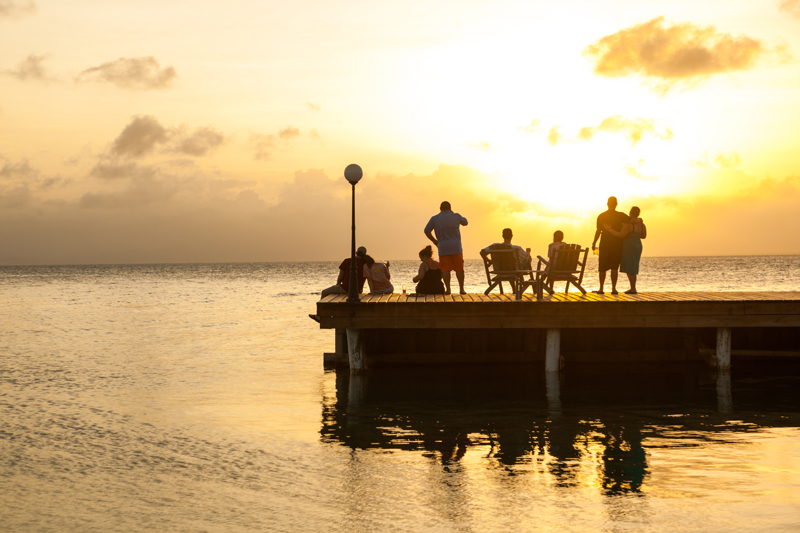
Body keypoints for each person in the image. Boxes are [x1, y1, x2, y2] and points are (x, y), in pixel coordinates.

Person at [424, 201, 469, 295]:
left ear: (440, 208)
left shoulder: (435, 218)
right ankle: (461, 289)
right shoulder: (456, 216)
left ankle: (448, 290)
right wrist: (452, 213)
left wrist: (434, 241)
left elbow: (427, 231)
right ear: (450, 208)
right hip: (456, 247)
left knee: (445, 269)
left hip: (443, 247)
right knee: (459, 269)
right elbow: (465, 222)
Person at [591, 197, 630, 295]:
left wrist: (594, 242)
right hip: (617, 243)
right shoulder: (621, 215)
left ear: (607, 204)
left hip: (604, 243)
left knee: (602, 267)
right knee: (614, 267)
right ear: (616, 204)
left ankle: (601, 288)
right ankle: (613, 288)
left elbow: (598, 231)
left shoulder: (601, 216)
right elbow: (632, 220)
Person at [604, 206, 647, 294]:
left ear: (630, 213)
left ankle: (633, 288)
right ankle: (632, 287)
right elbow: (644, 236)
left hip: (629, 245)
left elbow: (621, 235)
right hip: (638, 245)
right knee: (633, 266)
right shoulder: (642, 225)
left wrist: (610, 230)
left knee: (630, 267)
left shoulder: (627, 224)